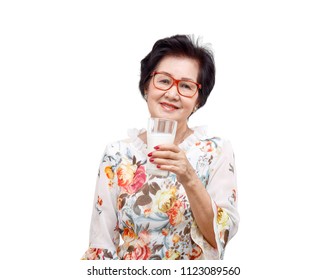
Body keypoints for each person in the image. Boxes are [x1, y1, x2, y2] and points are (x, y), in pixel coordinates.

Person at [81, 35, 239, 260]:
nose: (172, 94)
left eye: (186, 86)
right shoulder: (117, 155)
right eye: (164, 80)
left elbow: (220, 236)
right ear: (147, 85)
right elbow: (101, 245)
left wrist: (189, 176)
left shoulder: (216, 151)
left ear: (198, 101)